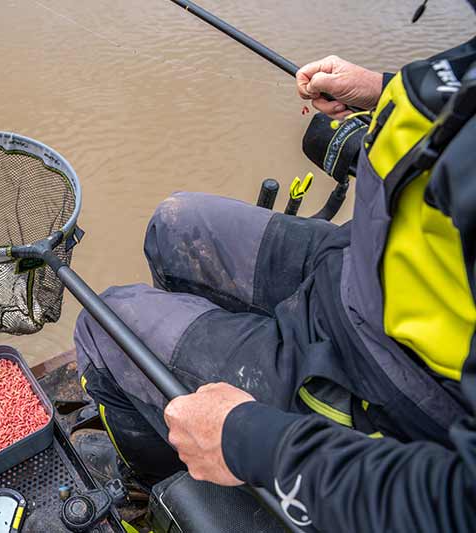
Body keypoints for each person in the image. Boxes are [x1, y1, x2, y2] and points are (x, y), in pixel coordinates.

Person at [74, 21, 476, 533]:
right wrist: (386, 91)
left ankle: (164, 485)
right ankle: (196, 393)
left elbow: (459, 503)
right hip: (357, 265)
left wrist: (252, 441)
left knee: (105, 327)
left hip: (383, 386)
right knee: (176, 224)